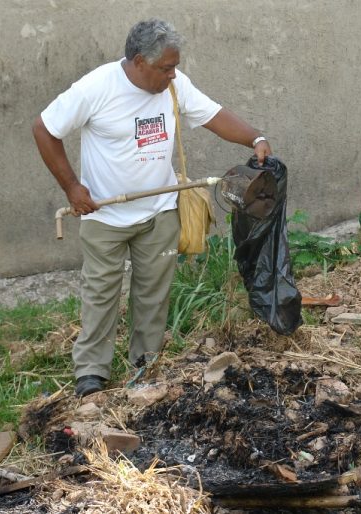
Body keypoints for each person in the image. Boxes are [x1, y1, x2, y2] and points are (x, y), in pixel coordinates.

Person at [32, 18, 272, 396]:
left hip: (160, 212)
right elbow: (44, 129)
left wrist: (254, 138)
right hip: (104, 216)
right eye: (166, 68)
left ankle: (145, 366)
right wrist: (72, 187)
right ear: (139, 62)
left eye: (175, 66)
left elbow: (213, 115)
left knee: (153, 295)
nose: (173, 75)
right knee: (101, 294)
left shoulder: (174, 86)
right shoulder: (97, 88)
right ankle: (91, 374)